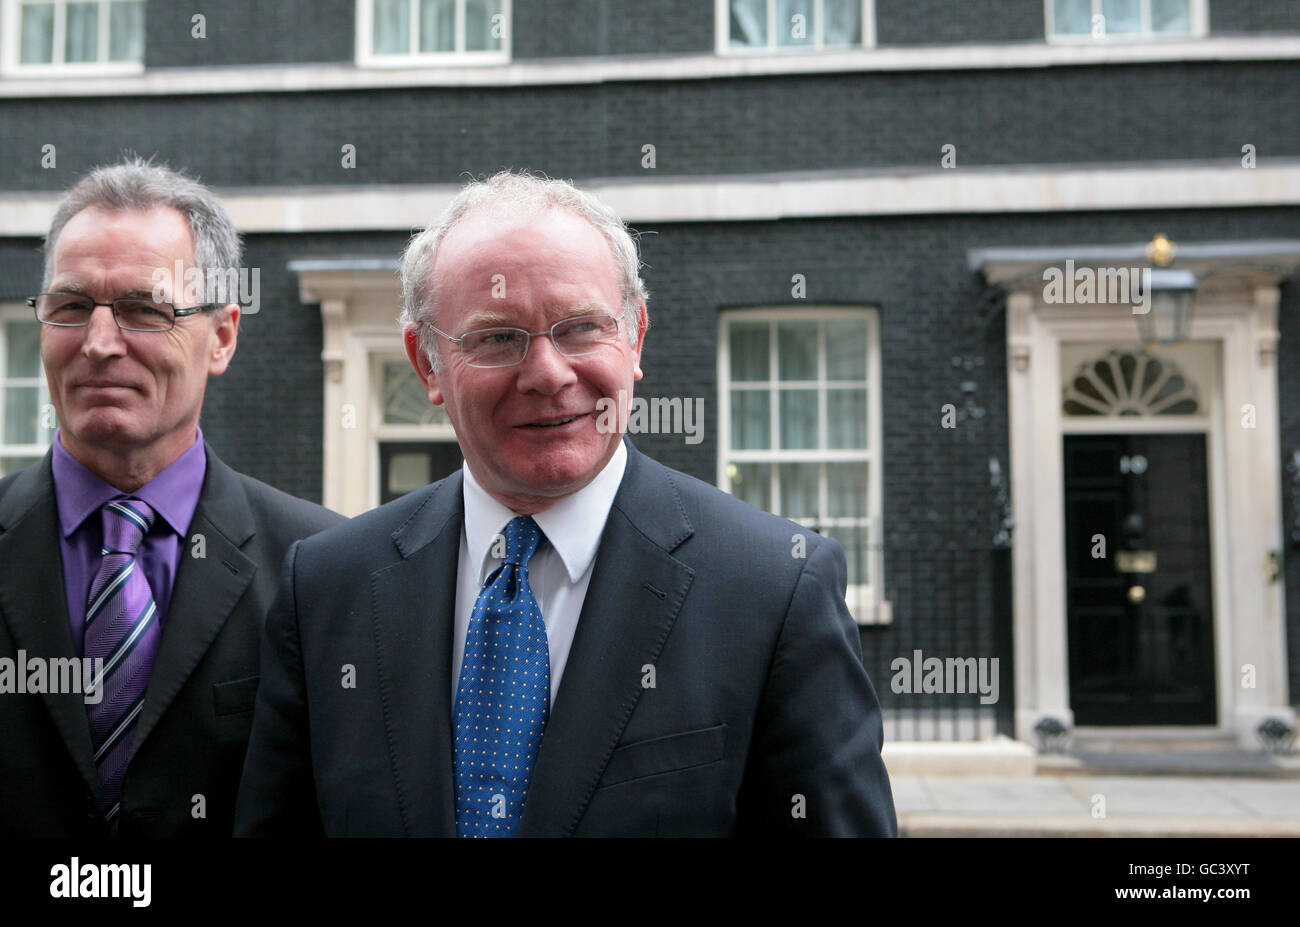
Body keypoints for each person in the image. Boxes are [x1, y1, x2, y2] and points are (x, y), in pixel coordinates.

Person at [235, 171, 896, 836]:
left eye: (581, 327)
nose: (548, 373)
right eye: (497, 337)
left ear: (634, 334)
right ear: (428, 362)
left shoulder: (776, 589)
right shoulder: (325, 587)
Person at [0, 158, 343, 837]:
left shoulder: (323, 570)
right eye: (71, 307)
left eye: (143, 309)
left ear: (221, 336)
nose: (99, 344)